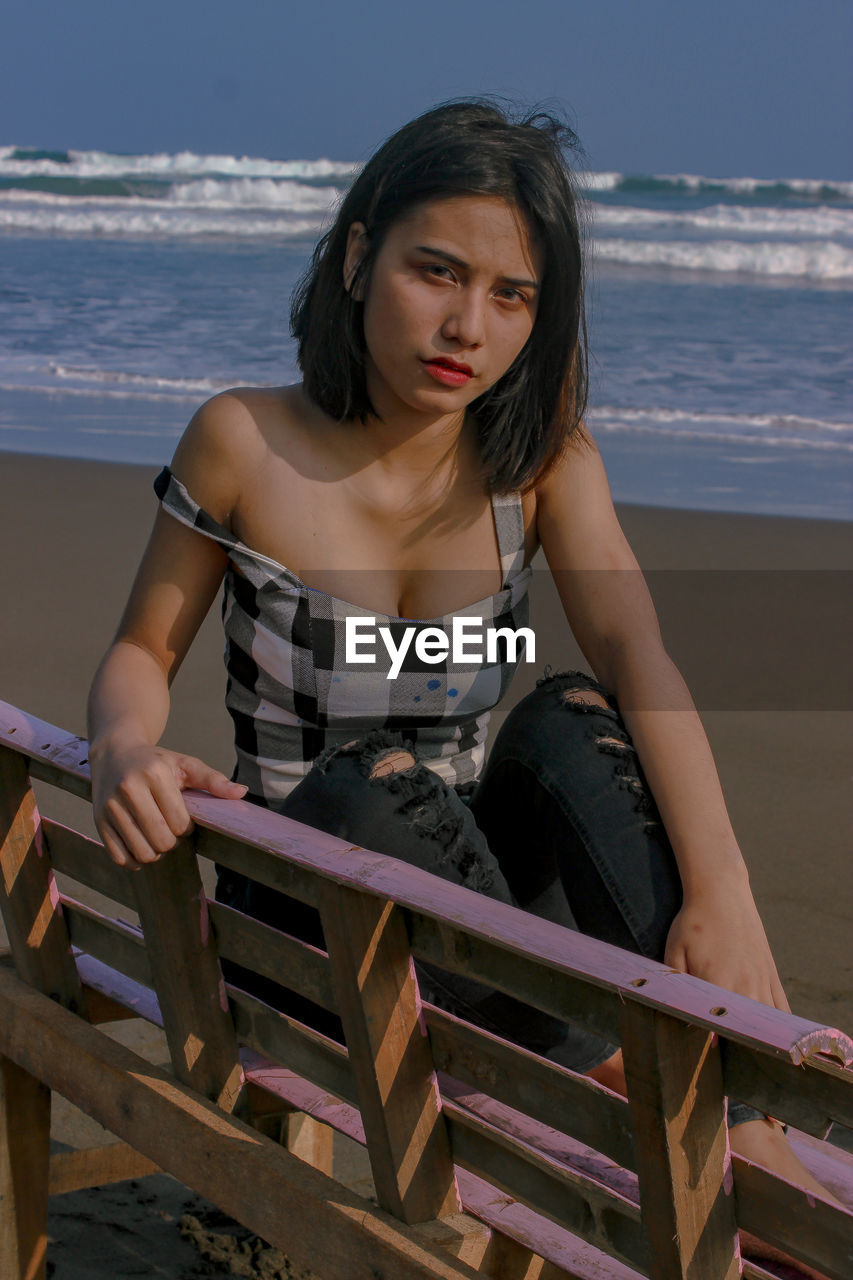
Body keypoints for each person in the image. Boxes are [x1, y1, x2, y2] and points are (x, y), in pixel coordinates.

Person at [86, 100, 838, 1256]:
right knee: (369, 779)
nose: (466, 325)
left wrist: (718, 885)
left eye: (510, 296)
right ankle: (623, 1088)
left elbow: (639, 654)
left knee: (570, 713)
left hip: (474, 925)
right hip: (303, 924)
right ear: (356, 256)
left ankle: (733, 1126)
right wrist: (127, 745)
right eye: (434, 271)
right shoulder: (243, 439)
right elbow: (143, 648)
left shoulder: (539, 458)